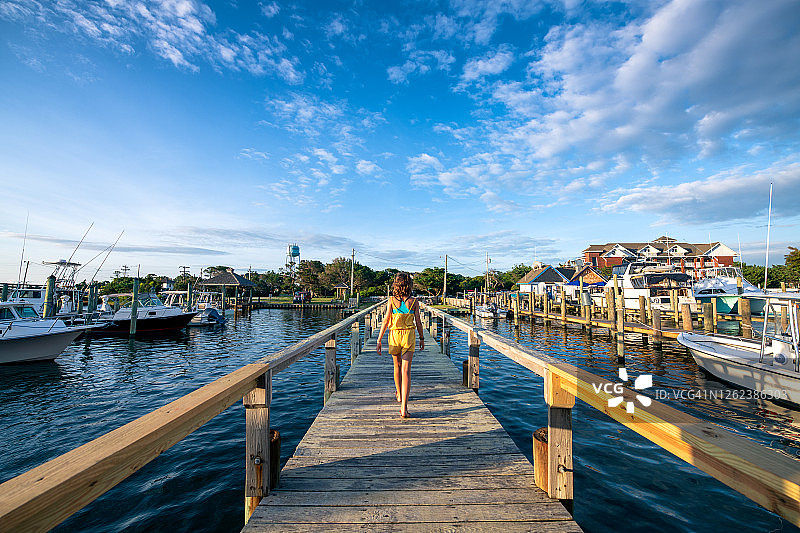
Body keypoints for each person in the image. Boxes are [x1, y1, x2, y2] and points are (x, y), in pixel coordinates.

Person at [376, 272, 424, 418]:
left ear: (396, 284)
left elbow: (385, 320)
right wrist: (422, 338)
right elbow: (419, 322)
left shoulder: (391, 300)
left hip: (394, 336)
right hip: (408, 336)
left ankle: (398, 394)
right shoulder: (414, 301)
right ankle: (404, 408)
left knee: (396, 367)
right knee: (406, 371)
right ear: (409, 285)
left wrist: (379, 340)